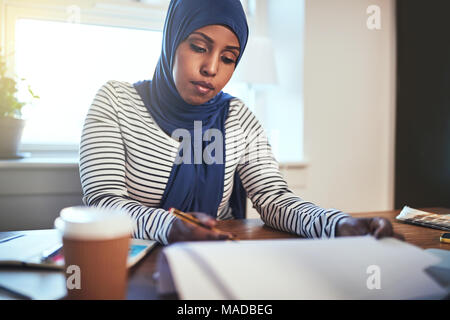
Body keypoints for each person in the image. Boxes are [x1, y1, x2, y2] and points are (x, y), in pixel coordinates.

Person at [79, 0, 403, 244]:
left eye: (228, 57)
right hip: (129, 262)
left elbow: (275, 200)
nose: (211, 68)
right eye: (199, 47)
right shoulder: (115, 102)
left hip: (214, 257)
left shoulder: (238, 118)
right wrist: (170, 227)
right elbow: (104, 203)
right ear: (171, 40)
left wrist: (336, 224)